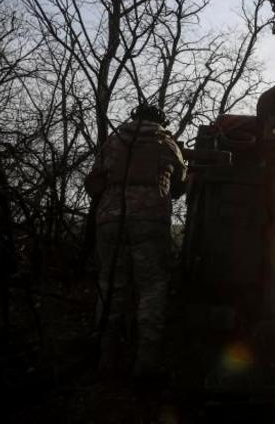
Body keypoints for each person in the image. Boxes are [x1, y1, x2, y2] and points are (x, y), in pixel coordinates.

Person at [84, 103, 186, 384]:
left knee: (111, 285)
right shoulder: (166, 142)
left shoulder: (113, 141)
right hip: (150, 220)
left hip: (109, 220)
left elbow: (93, 182)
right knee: (152, 288)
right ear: (160, 120)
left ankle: (106, 359)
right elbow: (180, 184)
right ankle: (146, 363)